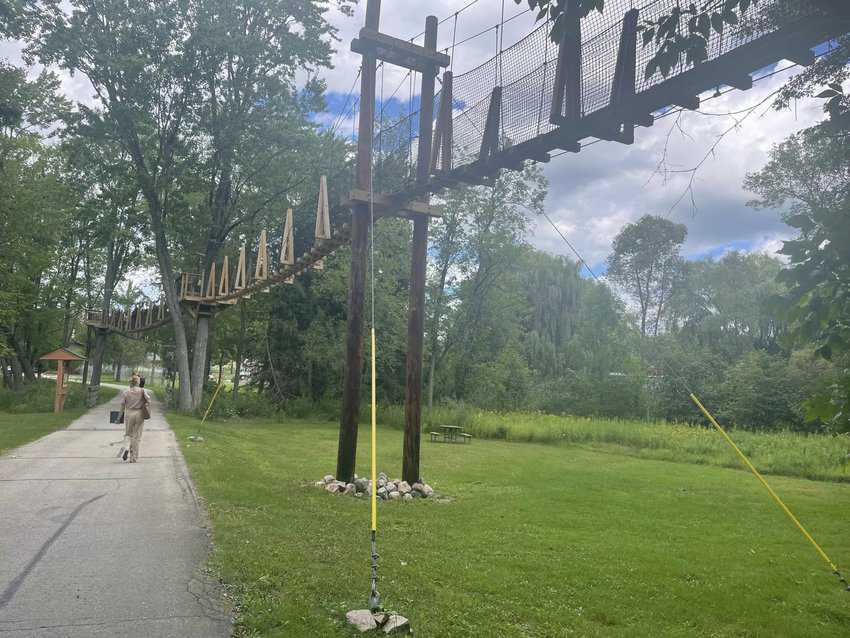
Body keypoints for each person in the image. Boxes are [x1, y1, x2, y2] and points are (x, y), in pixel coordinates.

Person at [118, 374, 151, 463]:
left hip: (129, 413)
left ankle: (127, 448)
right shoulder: (142, 391)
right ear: (138, 382)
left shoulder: (126, 392)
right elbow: (148, 400)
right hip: (139, 413)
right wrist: (144, 404)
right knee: (136, 436)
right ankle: (133, 457)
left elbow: (122, 405)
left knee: (128, 434)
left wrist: (119, 417)